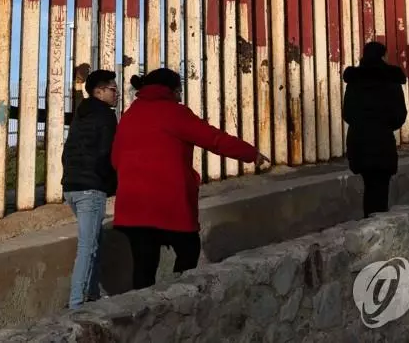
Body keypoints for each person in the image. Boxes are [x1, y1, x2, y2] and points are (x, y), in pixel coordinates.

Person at [110, 68, 269, 290]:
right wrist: (251, 154)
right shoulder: (175, 113)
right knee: (188, 253)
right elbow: (214, 139)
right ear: (173, 91)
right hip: (169, 204)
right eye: (180, 90)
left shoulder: (129, 115)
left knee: (144, 268)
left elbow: (116, 159)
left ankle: (143, 316)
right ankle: (178, 301)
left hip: (133, 206)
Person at [61, 69, 119, 309]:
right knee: (88, 246)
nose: (117, 94)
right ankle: (76, 303)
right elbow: (108, 153)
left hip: (71, 187)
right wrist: (110, 183)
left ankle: (93, 293)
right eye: (113, 90)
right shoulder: (106, 116)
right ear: (99, 91)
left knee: (95, 239)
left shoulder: (81, 115)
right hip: (90, 189)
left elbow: (68, 152)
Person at [343, 41, 408, 217]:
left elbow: (347, 113)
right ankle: (376, 232)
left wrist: (362, 123)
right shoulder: (391, 80)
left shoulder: (354, 80)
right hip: (382, 142)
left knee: (369, 186)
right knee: (380, 189)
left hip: (359, 142)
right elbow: (399, 116)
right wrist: (383, 125)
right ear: (382, 56)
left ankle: (368, 224)